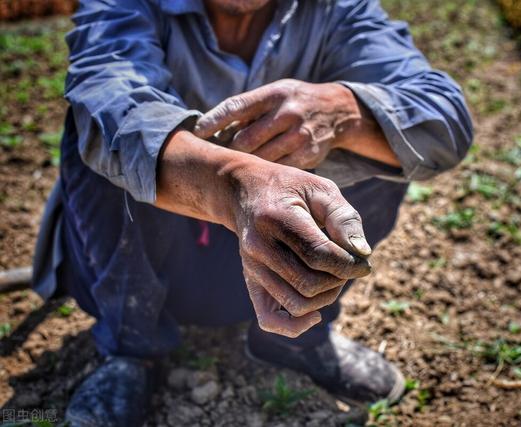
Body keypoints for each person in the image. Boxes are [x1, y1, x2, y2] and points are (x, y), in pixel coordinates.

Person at [31, 0, 473, 425]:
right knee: (100, 131)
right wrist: (235, 184)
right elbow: (109, 101)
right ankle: (131, 347)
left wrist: (342, 114)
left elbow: (445, 119)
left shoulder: (337, 9)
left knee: (383, 136)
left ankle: (295, 339)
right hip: (137, 266)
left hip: (270, 277)